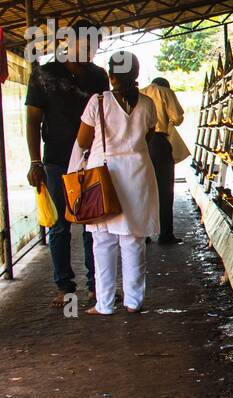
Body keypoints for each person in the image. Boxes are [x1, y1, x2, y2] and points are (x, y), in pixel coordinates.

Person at [25, 20, 109, 306]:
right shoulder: (44, 75)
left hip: (90, 161)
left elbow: (105, 118)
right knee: (59, 226)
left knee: (91, 224)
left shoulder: (99, 77)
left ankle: (96, 285)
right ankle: (65, 287)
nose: (90, 51)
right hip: (56, 160)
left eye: (94, 46)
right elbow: (33, 120)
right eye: (85, 44)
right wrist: (35, 161)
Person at [71, 51, 160, 316]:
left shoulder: (98, 102)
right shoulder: (147, 104)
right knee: (133, 240)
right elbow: (148, 135)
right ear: (135, 75)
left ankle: (105, 304)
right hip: (138, 174)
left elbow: (84, 141)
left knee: (103, 242)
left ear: (110, 75)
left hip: (105, 176)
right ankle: (133, 302)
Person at [139, 76, 186, 244]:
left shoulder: (139, 92)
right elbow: (177, 119)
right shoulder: (165, 92)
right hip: (159, 142)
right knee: (165, 190)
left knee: (144, 189)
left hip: (140, 143)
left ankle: (143, 233)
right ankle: (165, 234)